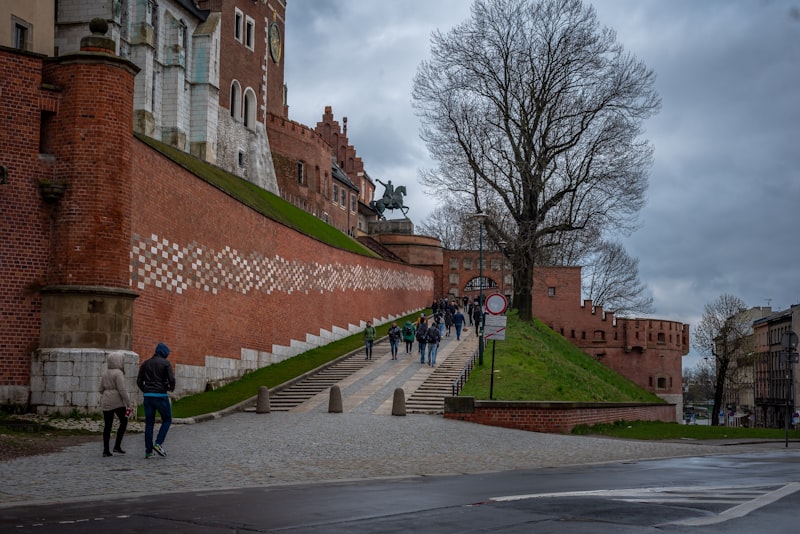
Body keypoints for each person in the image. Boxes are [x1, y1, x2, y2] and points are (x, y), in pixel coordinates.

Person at [137, 342, 176, 459]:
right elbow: (171, 379)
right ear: (164, 353)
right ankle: (158, 443)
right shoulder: (166, 363)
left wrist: (145, 390)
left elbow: (139, 381)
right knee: (167, 419)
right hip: (160, 396)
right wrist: (170, 388)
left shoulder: (146, 363)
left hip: (148, 397)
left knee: (149, 424)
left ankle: (148, 451)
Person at [99, 351, 133, 457]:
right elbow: (122, 389)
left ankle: (106, 450)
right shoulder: (118, 373)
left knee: (107, 426)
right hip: (117, 402)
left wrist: (107, 391)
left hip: (106, 401)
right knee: (123, 421)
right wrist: (128, 403)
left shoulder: (105, 373)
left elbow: (100, 389)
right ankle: (117, 445)